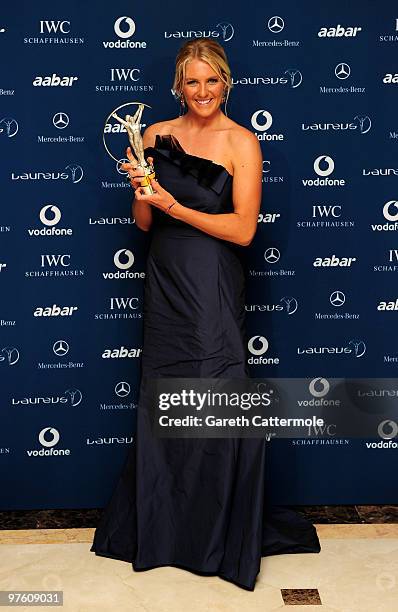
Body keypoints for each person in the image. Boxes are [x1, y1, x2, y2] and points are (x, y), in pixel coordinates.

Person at [90, 37, 320, 591]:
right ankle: (167, 532)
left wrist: (174, 204)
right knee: (166, 394)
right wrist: (143, 190)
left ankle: (215, 533)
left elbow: (243, 230)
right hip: (165, 279)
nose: (201, 92)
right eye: (191, 81)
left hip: (213, 281)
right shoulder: (151, 135)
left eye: (211, 80)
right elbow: (144, 224)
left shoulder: (242, 142)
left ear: (226, 83)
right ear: (178, 84)